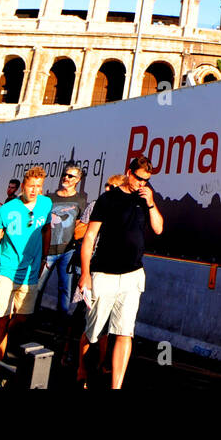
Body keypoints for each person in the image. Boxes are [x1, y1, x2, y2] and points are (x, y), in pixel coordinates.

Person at [77, 156, 164, 389]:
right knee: (93, 332)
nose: (141, 183)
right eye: (138, 178)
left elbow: (158, 228)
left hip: (132, 276)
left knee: (125, 332)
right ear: (129, 172)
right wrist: (85, 273)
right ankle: (82, 371)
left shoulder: (146, 200)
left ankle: (116, 386)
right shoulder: (108, 199)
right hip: (103, 274)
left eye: (146, 180)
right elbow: (89, 237)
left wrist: (152, 203)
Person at [0, 167, 52, 372]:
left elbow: (47, 229)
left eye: (39, 187)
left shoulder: (45, 204)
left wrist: (44, 256)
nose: (34, 190)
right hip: (6, 269)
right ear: (23, 186)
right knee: (1, 321)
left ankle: (5, 338)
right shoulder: (7, 209)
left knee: (22, 319)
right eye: (31, 186)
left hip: (30, 273)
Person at [40, 163, 87, 315]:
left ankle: (60, 328)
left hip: (68, 252)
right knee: (37, 287)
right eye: (65, 174)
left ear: (77, 180)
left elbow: (81, 227)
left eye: (70, 176)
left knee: (65, 290)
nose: (66, 178)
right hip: (47, 251)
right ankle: (27, 322)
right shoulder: (49, 199)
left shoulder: (81, 201)